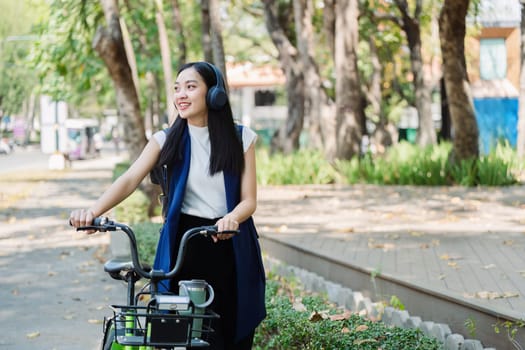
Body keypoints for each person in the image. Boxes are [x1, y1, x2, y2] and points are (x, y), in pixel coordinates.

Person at [69, 61, 266, 349]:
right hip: (183, 246)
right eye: (177, 88)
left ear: (214, 94)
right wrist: (93, 212)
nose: (181, 95)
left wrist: (232, 218)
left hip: (230, 241)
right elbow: (130, 179)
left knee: (231, 332)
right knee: (178, 334)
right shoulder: (165, 139)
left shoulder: (240, 138)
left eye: (190, 86)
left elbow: (249, 200)